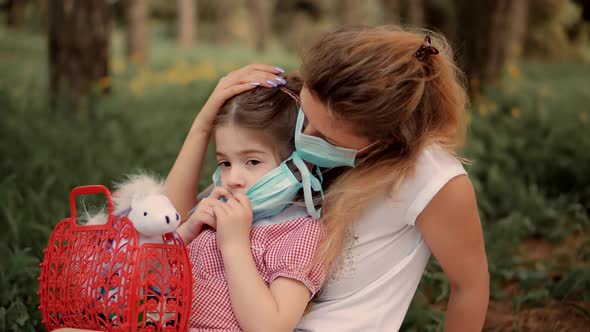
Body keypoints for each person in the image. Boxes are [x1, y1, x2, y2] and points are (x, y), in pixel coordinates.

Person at [173, 25, 488, 331]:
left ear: (383, 140)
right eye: (306, 119)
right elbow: (172, 218)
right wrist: (204, 124)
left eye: (322, 134)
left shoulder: (434, 181)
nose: (304, 138)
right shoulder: (304, 151)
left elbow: (469, 288)